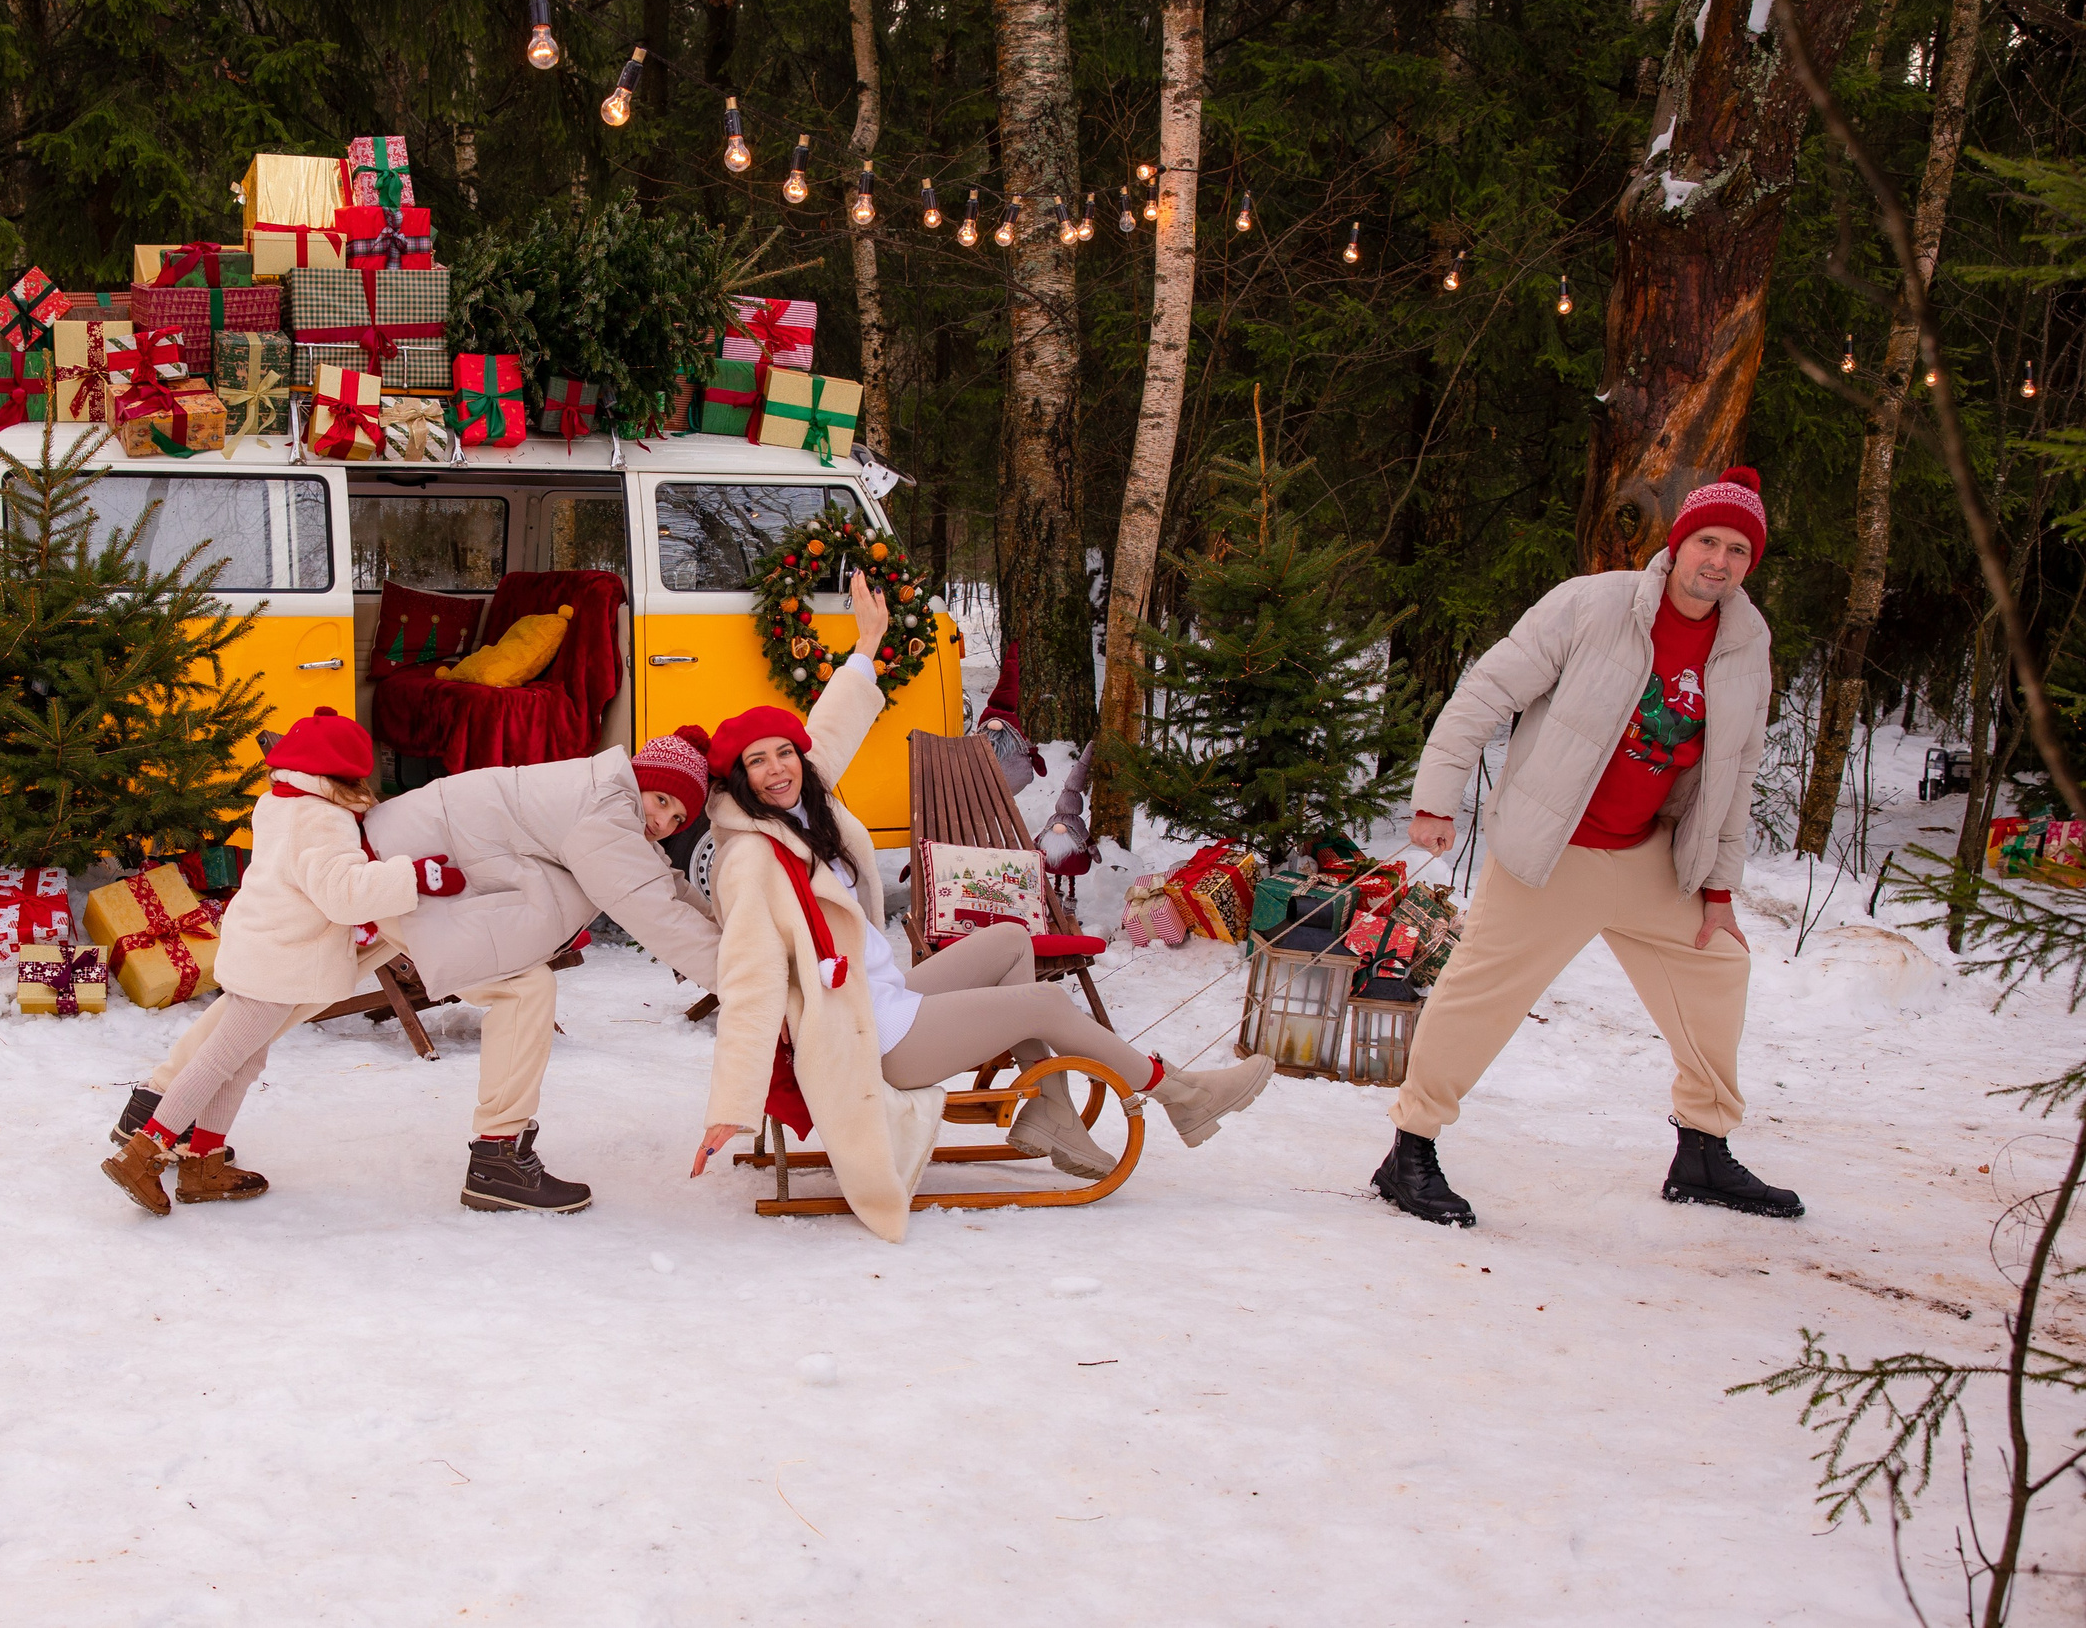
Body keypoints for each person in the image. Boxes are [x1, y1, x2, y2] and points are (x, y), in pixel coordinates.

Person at [688, 572, 1274, 1241]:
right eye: (757, 762)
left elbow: (833, 727)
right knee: (1046, 1004)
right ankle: (1184, 1095)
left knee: (1010, 943)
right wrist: (729, 1104)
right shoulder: (752, 861)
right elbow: (751, 980)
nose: (776, 769)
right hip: (871, 1038)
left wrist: (867, 644)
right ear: (739, 778)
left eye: (783, 753)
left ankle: (1049, 1111)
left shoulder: (803, 804)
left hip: (888, 995)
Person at [1372, 467, 1799, 1228]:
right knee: (1482, 991)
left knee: (1718, 966)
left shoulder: (1747, 643)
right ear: (1679, 543)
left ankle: (1702, 1149)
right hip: (1553, 850)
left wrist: (1719, 889)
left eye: (1739, 549)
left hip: (1649, 857)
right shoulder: (1594, 603)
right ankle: (1410, 1147)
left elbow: (1735, 772)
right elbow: (1486, 690)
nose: (1721, 561)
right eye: (1709, 541)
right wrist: (1437, 794)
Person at [100, 708, 461, 1216]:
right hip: (281, 961)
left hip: (264, 948)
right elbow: (342, 896)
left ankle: (203, 1162)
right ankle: (144, 1153)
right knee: (221, 1059)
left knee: (245, 1061)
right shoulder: (322, 818)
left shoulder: (280, 802)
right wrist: (414, 877)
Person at [358, 725, 726, 1215]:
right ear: (639, 778)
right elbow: (651, 911)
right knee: (523, 991)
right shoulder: (605, 811)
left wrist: (730, 930)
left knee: (281, 989)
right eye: (661, 800)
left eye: (678, 817)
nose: (662, 821)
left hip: (396, 856)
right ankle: (496, 1159)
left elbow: (663, 884)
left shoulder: (606, 796)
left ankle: (211, 1127)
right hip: (405, 867)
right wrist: (747, 980)